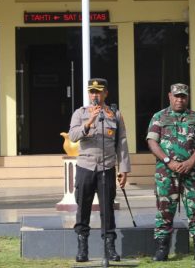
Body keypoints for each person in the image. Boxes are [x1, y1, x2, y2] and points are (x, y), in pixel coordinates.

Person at [146, 83, 195, 261]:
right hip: (166, 173)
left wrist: (191, 161)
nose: (179, 99)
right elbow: (152, 142)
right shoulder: (159, 117)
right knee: (164, 209)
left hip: (192, 172)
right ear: (170, 96)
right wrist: (168, 161)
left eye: (183, 96)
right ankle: (162, 250)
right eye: (176, 96)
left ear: (187, 97)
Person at [68, 78, 131, 263]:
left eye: (98, 91)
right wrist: (89, 122)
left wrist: (124, 169)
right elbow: (73, 136)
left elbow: (122, 142)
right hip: (85, 167)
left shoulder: (115, 115)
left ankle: (109, 248)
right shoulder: (80, 113)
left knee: (107, 209)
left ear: (105, 93)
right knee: (83, 208)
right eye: (92, 92)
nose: (95, 95)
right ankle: (82, 248)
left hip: (107, 167)